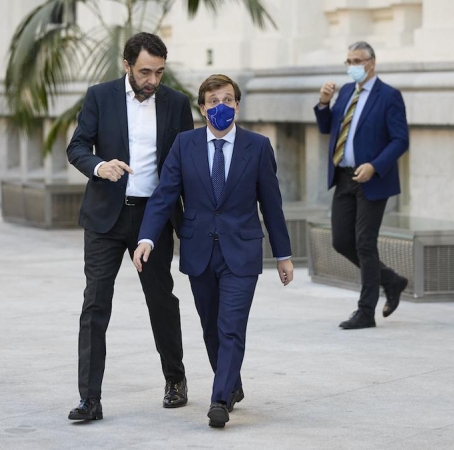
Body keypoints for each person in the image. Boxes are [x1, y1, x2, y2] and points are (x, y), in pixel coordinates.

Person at [132, 74, 294, 428]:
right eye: (213, 101)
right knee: (210, 327)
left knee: (231, 325)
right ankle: (232, 384)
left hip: (242, 251)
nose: (221, 106)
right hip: (199, 249)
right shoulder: (184, 144)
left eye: (228, 99)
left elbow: (272, 204)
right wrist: (147, 238)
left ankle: (219, 399)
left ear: (237, 104)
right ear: (203, 108)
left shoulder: (258, 145)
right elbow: (164, 196)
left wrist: (283, 255)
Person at [65, 32, 194, 422]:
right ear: (126, 66)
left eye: (158, 72)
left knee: (161, 301)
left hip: (152, 218)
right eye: (144, 72)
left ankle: (175, 380)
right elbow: (77, 147)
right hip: (105, 217)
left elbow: (185, 164)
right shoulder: (99, 96)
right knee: (95, 305)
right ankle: (90, 399)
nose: (152, 80)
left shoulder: (176, 104)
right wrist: (99, 167)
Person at [314, 41, 410, 330]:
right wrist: (322, 104)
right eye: (348, 61)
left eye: (358, 60)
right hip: (344, 177)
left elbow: (400, 139)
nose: (353, 66)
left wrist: (375, 166)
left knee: (365, 244)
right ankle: (392, 281)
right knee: (341, 241)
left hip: (372, 178)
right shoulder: (345, 92)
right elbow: (326, 127)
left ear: (372, 63)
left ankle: (365, 311)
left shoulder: (389, 96)